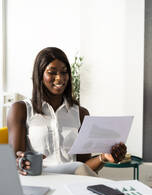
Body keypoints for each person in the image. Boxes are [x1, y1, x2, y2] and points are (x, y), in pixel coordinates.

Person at [7, 47, 127, 176]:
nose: (59, 78)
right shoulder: (20, 110)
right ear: (40, 75)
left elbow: (84, 165)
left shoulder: (81, 113)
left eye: (64, 72)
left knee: (83, 171)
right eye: (52, 72)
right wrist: (20, 162)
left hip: (73, 179)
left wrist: (103, 157)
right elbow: (14, 161)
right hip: (39, 178)